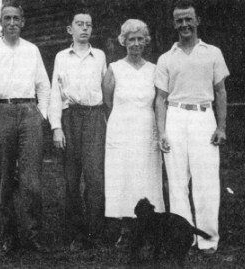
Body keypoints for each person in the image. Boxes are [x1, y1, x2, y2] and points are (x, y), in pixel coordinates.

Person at [0, 1, 51, 254]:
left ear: (23, 21)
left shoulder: (32, 50)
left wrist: (41, 115)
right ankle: (9, 237)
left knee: (32, 183)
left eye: (16, 18)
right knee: (4, 181)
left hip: (29, 113)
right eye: (6, 19)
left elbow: (44, 86)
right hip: (0, 113)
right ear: (0, 22)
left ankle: (34, 236)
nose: (11, 23)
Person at [155, 0, 229, 254]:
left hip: (203, 118)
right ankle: (182, 237)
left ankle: (208, 239)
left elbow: (220, 92)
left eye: (189, 19)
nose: (184, 24)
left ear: (197, 21)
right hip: (175, 118)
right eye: (179, 20)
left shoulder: (213, 52)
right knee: (176, 183)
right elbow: (161, 99)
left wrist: (221, 127)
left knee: (206, 180)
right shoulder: (166, 58)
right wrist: (162, 131)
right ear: (174, 24)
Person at [49, 8, 107, 250]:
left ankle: (96, 233)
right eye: (79, 24)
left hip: (94, 118)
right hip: (70, 118)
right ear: (69, 29)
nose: (84, 28)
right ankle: (76, 234)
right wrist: (56, 128)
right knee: (72, 180)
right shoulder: (61, 57)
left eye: (88, 24)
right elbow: (54, 93)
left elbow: (108, 89)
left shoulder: (101, 56)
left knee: (95, 178)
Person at [103, 19, 165, 243]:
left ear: (146, 41)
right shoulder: (114, 69)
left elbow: (159, 100)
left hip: (146, 129)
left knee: (146, 175)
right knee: (123, 176)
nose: (136, 43)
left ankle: (149, 228)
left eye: (140, 39)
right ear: (123, 41)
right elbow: (108, 101)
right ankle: (126, 230)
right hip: (121, 128)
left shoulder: (154, 70)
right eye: (131, 39)